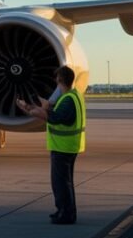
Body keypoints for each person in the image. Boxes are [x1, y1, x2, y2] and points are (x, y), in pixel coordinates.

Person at [17, 65, 85, 225]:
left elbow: (54, 117)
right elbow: (53, 110)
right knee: (65, 182)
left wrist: (29, 109)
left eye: (56, 78)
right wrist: (35, 106)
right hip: (68, 146)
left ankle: (66, 215)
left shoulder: (68, 100)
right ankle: (64, 210)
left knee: (61, 183)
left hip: (63, 147)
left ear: (59, 79)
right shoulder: (74, 95)